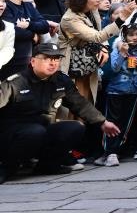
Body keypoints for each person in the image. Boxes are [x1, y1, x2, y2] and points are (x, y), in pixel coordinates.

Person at [0, 43, 121, 184]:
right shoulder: (16, 82)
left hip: (42, 130)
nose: (53, 63)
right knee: (35, 131)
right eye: (47, 58)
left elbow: (79, 103)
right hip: (13, 134)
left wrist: (102, 122)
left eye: (56, 59)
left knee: (75, 128)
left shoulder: (61, 80)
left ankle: (47, 165)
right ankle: (7, 168)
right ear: (33, 61)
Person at [59, 0, 134, 104]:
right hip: (73, 65)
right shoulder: (70, 18)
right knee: (74, 105)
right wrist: (121, 18)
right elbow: (97, 36)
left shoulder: (92, 11)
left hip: (89, 63)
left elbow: (98, 31)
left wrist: (103, 47)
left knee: (88, 101)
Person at [95, 24, 137, 167]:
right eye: (131, 35)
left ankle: (115, 152)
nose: (135, 38)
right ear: (124, 36)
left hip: (133, 89)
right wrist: (122, 54)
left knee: (126, 122)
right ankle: (109, 152)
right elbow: (115, 68)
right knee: (112, 121)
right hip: (116, 89)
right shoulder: (118, 47)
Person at [0, 0, 53, 80]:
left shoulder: (28, 6)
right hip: (6, 64)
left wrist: (28, 25)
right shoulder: (4, 7)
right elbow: (11, 31)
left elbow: (44, 26)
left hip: (27, 62)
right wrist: (33, 34)